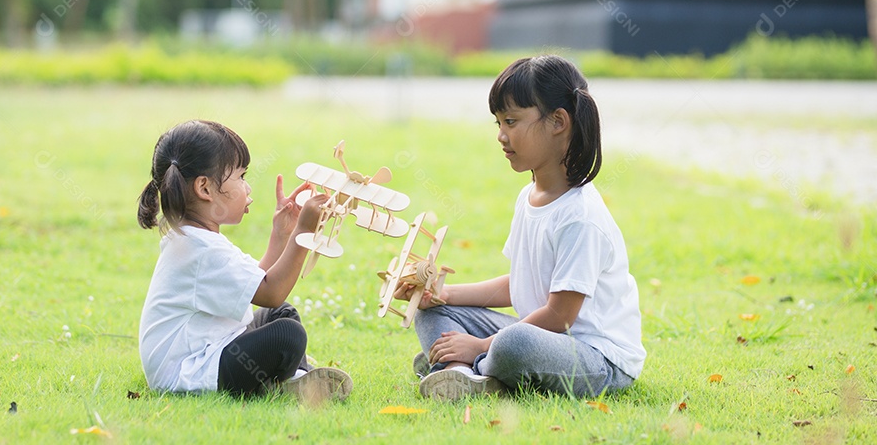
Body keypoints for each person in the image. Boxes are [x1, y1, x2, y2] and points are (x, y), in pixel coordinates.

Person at [402, 55, 645, 401]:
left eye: (511, 121)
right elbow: (519, 283)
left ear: (558, 122)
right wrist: (443, 295)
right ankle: (460, 374)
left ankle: (470, 364)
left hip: (596, 358)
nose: (501, 136)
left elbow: (560, 315)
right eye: (498, 123)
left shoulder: (580, 216)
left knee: (513, 343)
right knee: (432, 314)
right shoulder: (528, 197)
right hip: (545, 338)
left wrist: (481, 345)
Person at [137, 119, 353, 403]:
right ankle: (293, 378)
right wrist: (303, 232)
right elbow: (271, 292)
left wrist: (282, 233)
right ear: (205, 188)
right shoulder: (202, 249)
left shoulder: (194, 239)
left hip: (209, 350)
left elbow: (253, 283)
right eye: (240, 177)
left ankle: (296, 377)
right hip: (189, 372)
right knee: (287, 335)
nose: (248, 188)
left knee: (281, 315)